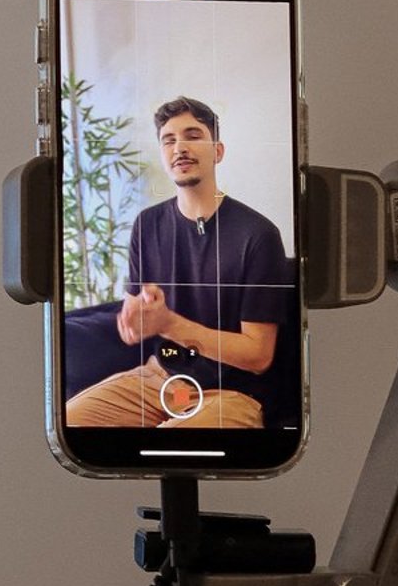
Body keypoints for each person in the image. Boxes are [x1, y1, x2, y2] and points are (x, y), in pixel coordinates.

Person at [64, 95, 291, 429]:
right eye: (168, 140)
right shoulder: (146, 225)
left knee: (171, 440)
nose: (179, 147)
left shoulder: (257, 235)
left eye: (193, 135)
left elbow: (258, 357)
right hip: (159, 379)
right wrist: (137, 316)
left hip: (231, 394)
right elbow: (133, 324)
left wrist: (168, 323)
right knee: (68, 421)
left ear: (218, 151)